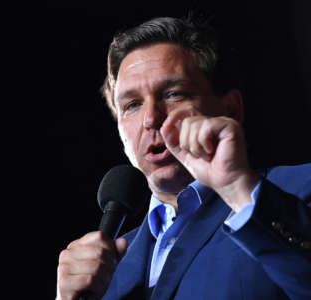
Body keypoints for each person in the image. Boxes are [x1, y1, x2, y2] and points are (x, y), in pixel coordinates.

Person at [56, 15, 311, 300]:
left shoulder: (299, 189)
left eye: (174, 94)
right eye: (132, 105)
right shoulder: (103, 268)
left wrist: (238, 189)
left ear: (230, 109)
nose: (151, 118)